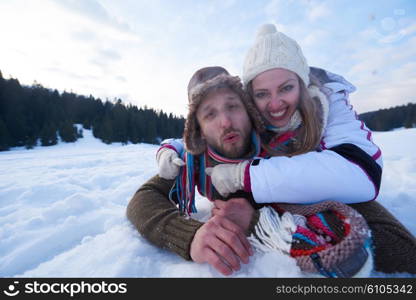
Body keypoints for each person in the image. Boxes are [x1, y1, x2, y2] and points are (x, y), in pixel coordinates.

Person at [156, 24, 416, 274]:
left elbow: (363, 176)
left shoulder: (327, 109)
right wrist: (174, 150)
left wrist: (249, 187)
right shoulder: (215, 145)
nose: (275, 104)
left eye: (286, 88)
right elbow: (157, 187)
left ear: (302, 84)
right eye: (261, 94)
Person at [127, 66, 373, 277]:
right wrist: (189, 236)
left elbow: (378, 223)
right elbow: (145, 197)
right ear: (198, 129)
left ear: (248, 111)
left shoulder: (282, 149)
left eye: (232, 106)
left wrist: (258, 221)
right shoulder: (194, 163)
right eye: (209, 114)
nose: (225, 121)